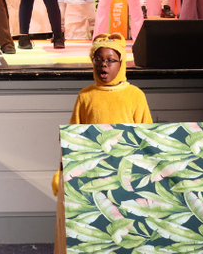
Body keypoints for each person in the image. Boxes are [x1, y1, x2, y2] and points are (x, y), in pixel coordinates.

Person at [52, 33, 151, 254]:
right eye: (98, 60)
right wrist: (61, 170)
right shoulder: (86, 96)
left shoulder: (135, 96)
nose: (103, 65)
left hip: (126, 176)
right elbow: (73, 138)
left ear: (121, 64)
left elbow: (147, 137)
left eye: (110, 60)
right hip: (93, 176)